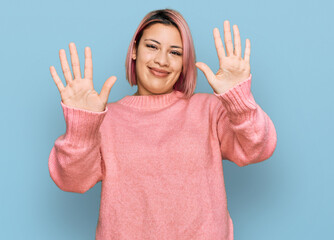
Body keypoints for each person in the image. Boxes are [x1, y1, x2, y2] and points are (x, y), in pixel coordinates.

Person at [48, 8, 277, 240]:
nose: (162, 60)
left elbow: (257, 148)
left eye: (175, 52)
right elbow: (72, 180)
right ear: (135, 49)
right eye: (152, 46)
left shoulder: (208, 109)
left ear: (184, 62)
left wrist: (238, 100)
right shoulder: (105, 121)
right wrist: (82, 127)